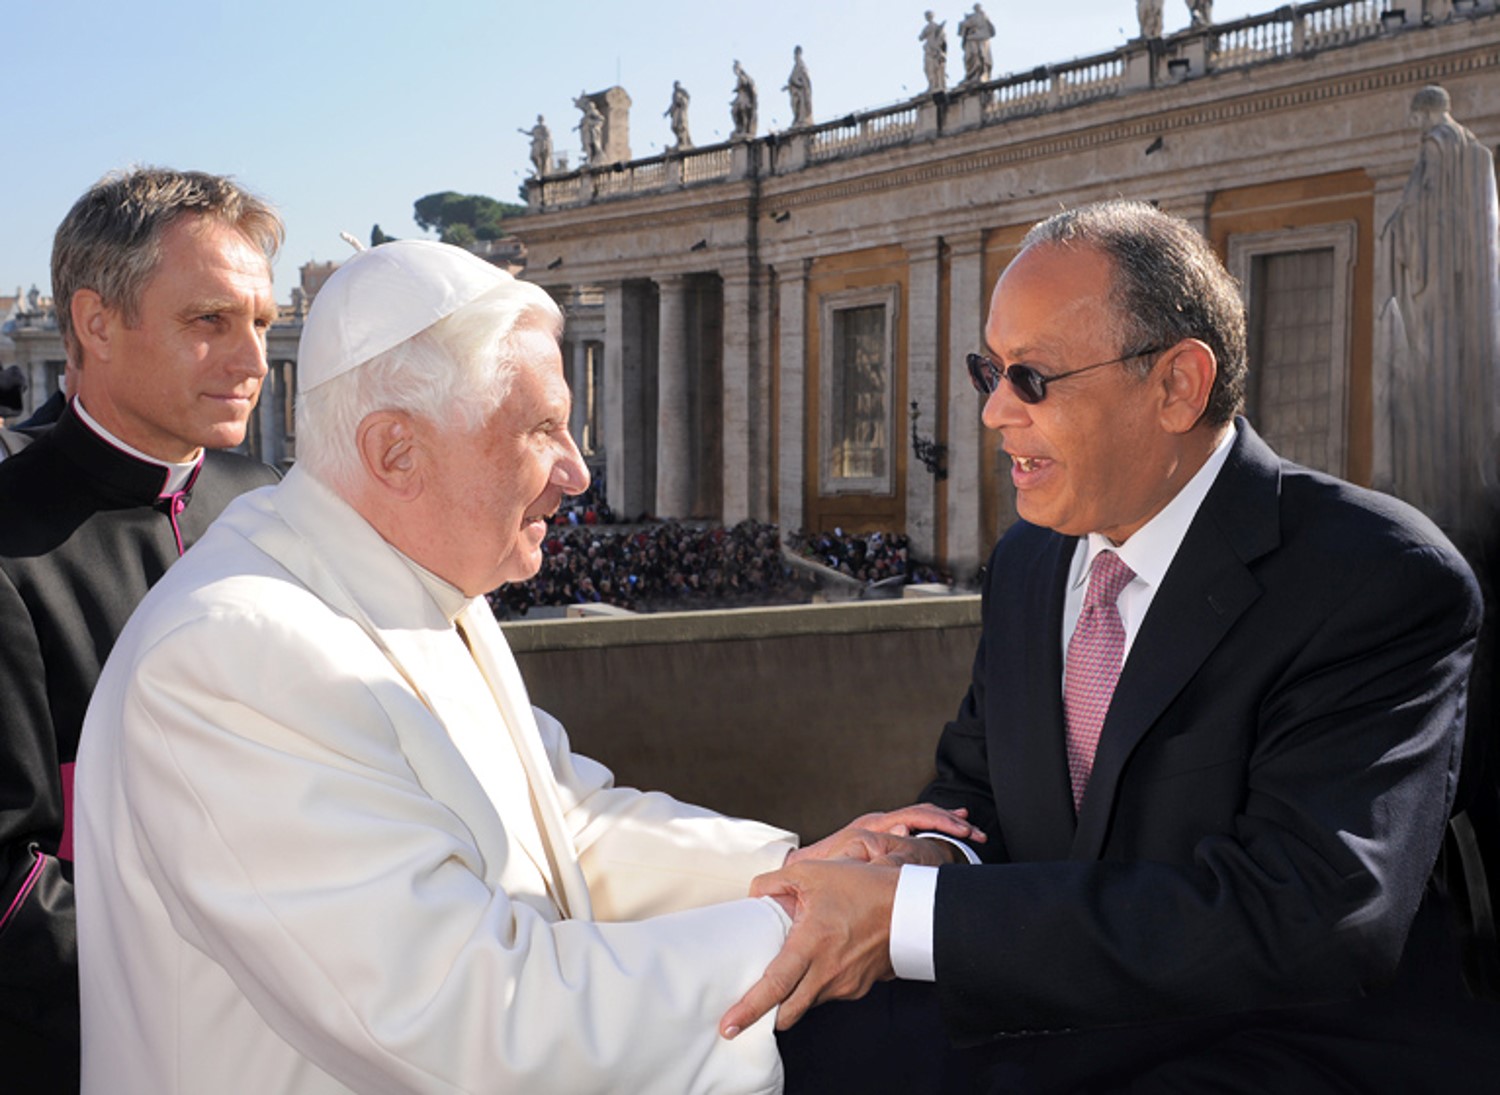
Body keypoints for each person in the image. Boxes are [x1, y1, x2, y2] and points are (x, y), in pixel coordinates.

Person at [73, 239, 976, 1094]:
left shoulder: (424, 585)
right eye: (541, 428)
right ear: (396, 449)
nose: (578, 473)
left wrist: (807, 865)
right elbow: (465, 1016)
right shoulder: (235, 651)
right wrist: (804, 925)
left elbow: (565, 830)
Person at [724, 200, 1500, 1091]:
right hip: (1057, 1014)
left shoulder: (1377, 576)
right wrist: (927, 856)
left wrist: (915, 917)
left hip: (1289, 1042)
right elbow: (976, 790)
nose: (992, 413)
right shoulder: (1026, 562)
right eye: (989, 370)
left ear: (1176, 385)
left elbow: (1309, 914)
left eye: (1031, 378)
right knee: (757, 1055)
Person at [0, 167, 283, 1092]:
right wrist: (229, 1002)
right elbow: (10, 884)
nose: (251, 360)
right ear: (94, 323)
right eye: (210, 322)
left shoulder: (271, 507)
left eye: (261, 324)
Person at [1382, 84, 1500, 550]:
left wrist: (1395, 228)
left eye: (1416, 115)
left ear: (1426, 112)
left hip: (1435, 291)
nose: (1415, 125)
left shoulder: (1434, 148)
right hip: (1464, 285)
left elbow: (1418, 211)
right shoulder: (1471, 150)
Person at [956, 3, 995, 86]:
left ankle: (980, 74)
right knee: (971, 57)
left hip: (980, 40)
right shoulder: (973, 17)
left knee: (980, 56)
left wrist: (965, 23)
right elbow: (966, 25)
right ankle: (972, 76)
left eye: (977, 8)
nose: (977, 9)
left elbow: (969, 23)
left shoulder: (982, 16)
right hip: (972, 40)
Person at [784, 46, 813, 129]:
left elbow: (805, 81)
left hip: (801, 93)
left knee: (800, 107)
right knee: (794, 106)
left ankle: (801, 120)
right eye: (794, 55)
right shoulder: (795, 67)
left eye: (796, 54)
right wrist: (788, 86)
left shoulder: (801, 66)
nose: (795, 57)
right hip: (794, 92)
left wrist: (797, 84)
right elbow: (792, 80)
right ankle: (798, 120)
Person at [919, 10, 947, 95]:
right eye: (926, 15)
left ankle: (935, 85)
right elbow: (920, 38)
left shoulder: (935, 27)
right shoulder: (929, 27)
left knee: (934, 68)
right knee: (928, 68)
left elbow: (943, 39)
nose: (927, 17)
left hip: (934, 50)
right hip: (929, 49)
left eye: (928, 15)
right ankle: (932, 85)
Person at [731, 60, 758, 139]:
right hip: (739, 98)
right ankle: (739, 128)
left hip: (745, 99)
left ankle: (745, 129)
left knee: (744, 112)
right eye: (734, 69)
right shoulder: (739, 78)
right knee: (734, 111)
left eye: (736, 69)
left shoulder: (744, 78)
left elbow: (749, 87)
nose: (735, 71)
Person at [666, 80, 693, 150]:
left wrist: (682, 101)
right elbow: (673, 104)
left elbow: (686, 100)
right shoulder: (674, 94)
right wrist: (667, 112)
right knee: (674, 127)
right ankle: (679, 140)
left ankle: (683, 141)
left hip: (681, 111)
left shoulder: (683, 92)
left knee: (681, 126)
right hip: (676, 112)